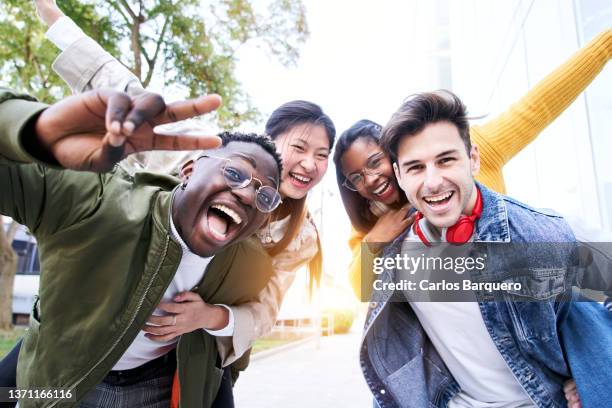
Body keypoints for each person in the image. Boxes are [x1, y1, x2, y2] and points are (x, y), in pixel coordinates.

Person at [26, 3, 336, 407]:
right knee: (14, 385)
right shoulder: (206, 152)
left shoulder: (300, 237)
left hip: (187, 349)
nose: (310, 164)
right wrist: (53, 17)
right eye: (299, 147)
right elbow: (129, 95)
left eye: (323, 154)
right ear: (269, 140)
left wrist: (210, 316)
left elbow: (264, 311)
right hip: (98, 321)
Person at [0, 86, 284, 407]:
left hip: (157, 386)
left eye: (264, 196)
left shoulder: (251, 266)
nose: (248, 195)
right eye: (234, 172)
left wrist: (212, 326)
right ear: (189, 171)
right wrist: (40, 131)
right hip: (66, 387)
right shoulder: (95, 199)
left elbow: (236, 349)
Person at [359, 89, 610, 408]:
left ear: (472, 159)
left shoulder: (541, 232)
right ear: (399, 175)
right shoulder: (394, 261)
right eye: (416, 168)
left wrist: (592, 370)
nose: (433, 181)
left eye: (446, 160)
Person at [333, 28, 612, 301]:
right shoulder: (371, 220)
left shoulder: (470, 146)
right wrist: (376, 239)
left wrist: (606, 44)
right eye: (356, 177)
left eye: (374, 162)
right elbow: (363, 288)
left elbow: (540, 104)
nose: (369, 179)